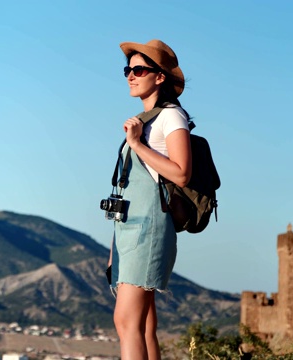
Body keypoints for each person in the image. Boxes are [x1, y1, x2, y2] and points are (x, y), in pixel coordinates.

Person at [107, 39, 192, 360]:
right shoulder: (147, 120)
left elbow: (182, 173)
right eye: (128, 69)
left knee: (126, 320)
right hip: (128, 229)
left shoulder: (172, 117)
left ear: (159, 77)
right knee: (142, 325)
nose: (130, 75)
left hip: (150, 228)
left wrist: (138, 145)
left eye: (139, 69)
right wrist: (114, 247)